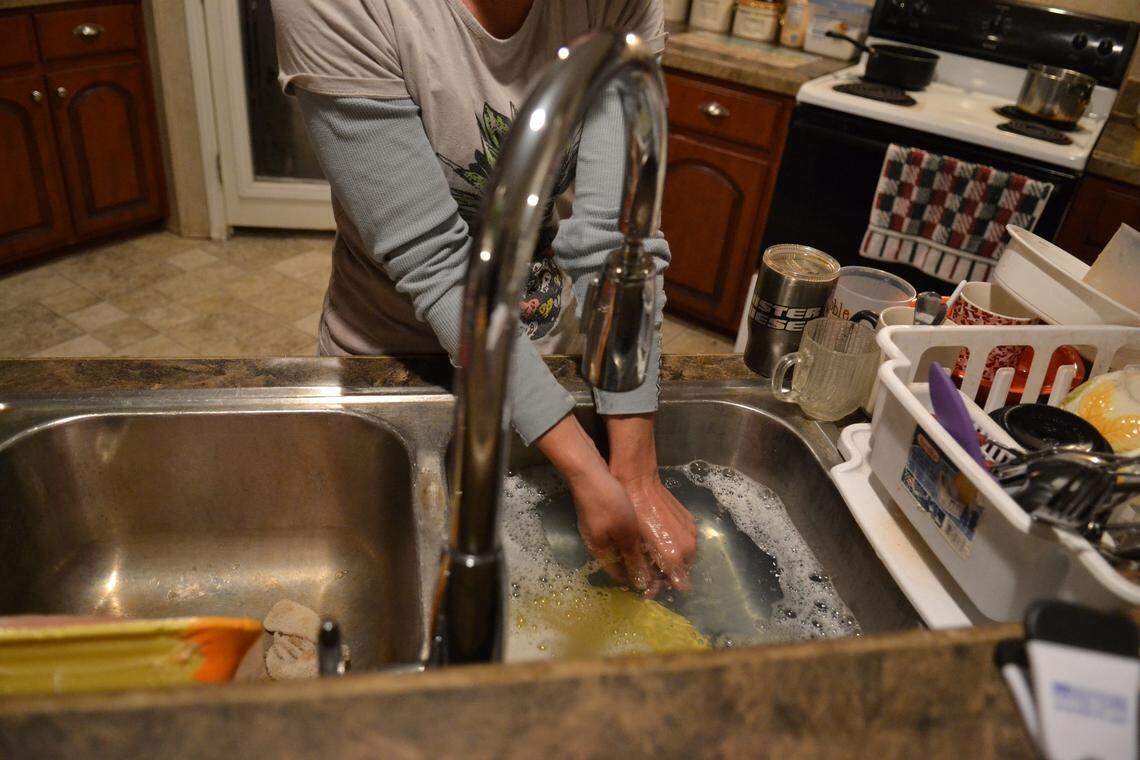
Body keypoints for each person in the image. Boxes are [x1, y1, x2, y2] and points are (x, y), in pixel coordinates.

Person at [273, 0, 696, 594]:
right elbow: (437, 263)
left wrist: (635, 468)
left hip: (537, 349)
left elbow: (615, 243)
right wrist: (584, 470)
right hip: (395, 357)